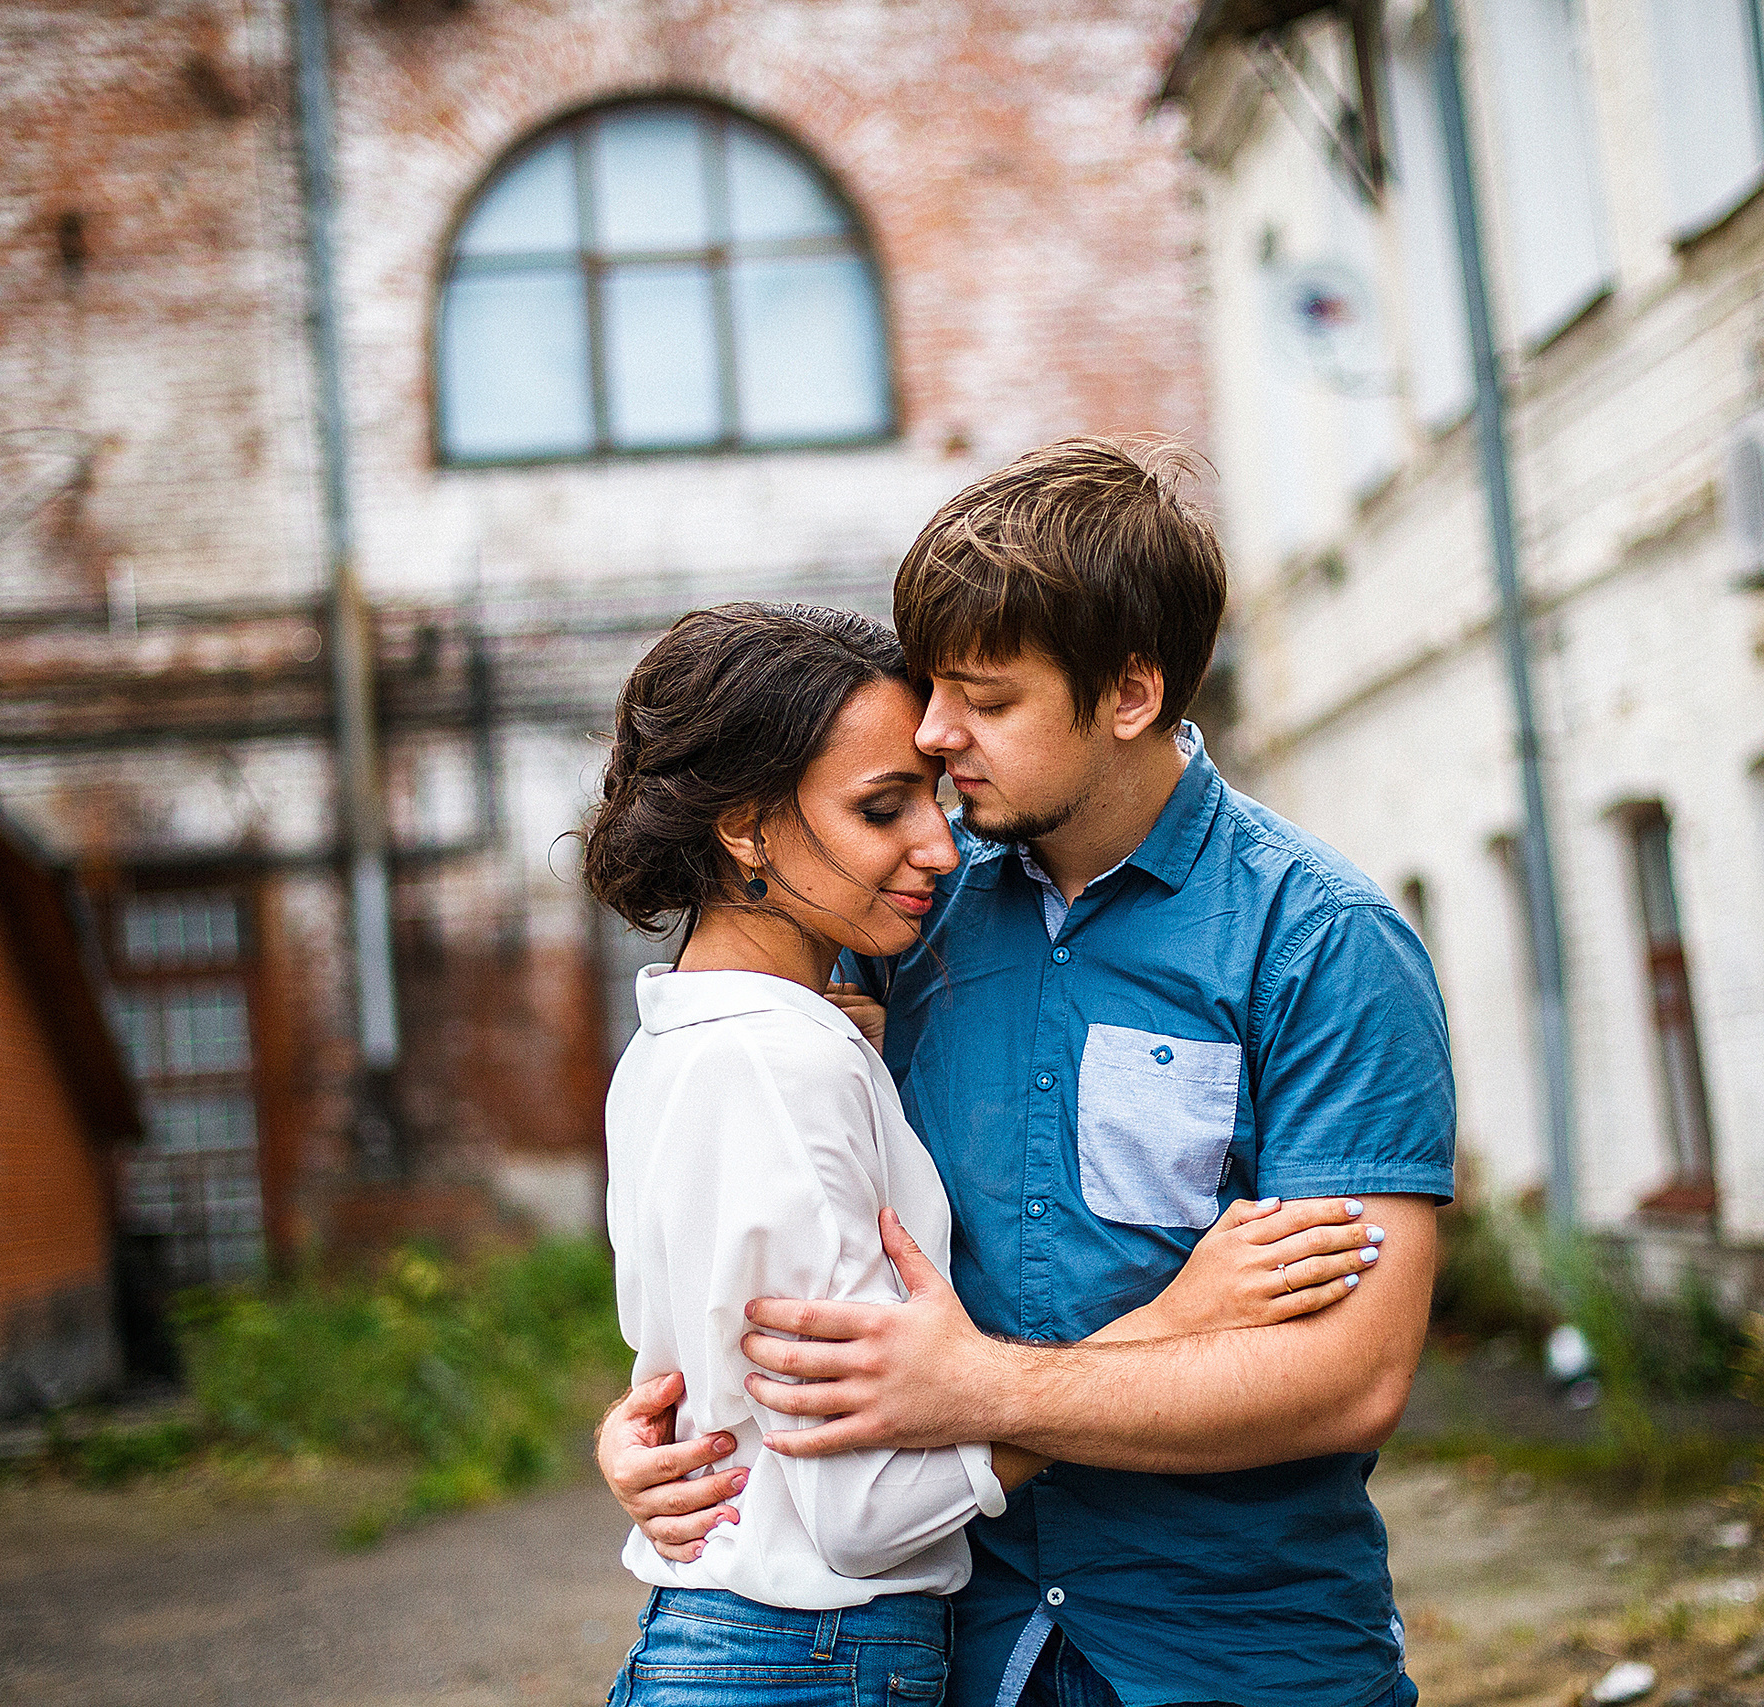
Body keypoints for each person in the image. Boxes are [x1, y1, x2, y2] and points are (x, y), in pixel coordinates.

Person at [602, 442, 1457, 1707]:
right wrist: (680, 1426)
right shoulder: (908, 920)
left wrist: (986, 1385)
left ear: (1126, 693)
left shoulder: (1321, 942)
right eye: (935, 691)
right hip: (962, 1649)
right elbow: (761, 1191)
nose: (938, 736)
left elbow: (1350, 1378)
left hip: (1233, 1654)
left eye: (985, 702)